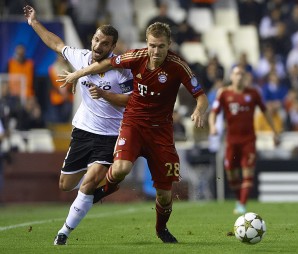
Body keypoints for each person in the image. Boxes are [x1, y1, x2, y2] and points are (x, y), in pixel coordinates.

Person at [57, 22, 209, 243]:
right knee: (121, 168)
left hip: (161, 132)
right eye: (152, 46)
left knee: (165, 196)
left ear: (169, 45)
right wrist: (76, 74)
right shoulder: (136, 56)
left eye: (161, 46)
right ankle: (99, 193)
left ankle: (161, 229)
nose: (156, 52)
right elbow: (106, 64)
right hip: (134, 123)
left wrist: (199, 111)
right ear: (146, 43)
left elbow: (201, 96)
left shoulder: (178, 66)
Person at [23, 5, 133, 245]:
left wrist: (104, 96)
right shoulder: (81, 57)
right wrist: (34, 22)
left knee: (90, 181)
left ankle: (63, 232)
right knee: (65, 185)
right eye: (96, 40)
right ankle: (91, 192)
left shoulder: (122, 71)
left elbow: (130, 100)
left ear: (113, 47)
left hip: (110, 136)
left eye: (105, 44)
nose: (98, 46)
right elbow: (55, 43)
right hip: (83, 132)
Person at [208, 65, 279, 215]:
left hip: (248, 140)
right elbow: (213, 113)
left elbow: (265, 112)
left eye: (241, 74)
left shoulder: (253, 93)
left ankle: (242, 204)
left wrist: (274, 131)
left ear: (245, 77)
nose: (239, 77)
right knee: (231, 174)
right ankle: (240, 199)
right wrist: (213, 127)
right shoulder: (224, 93)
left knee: (248, 172)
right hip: (231, 141)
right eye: (236, 74)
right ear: (231, 77)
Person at [48, 55, 73, 123]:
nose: (61, 58)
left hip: (67, 98)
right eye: (60, 56)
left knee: (66, 117)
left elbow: (72, 83)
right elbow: (50, 83)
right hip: (56, 98)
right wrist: (59, 89)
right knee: (56, 119)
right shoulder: (52, 69)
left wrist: (66, 89)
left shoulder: (69, 69)